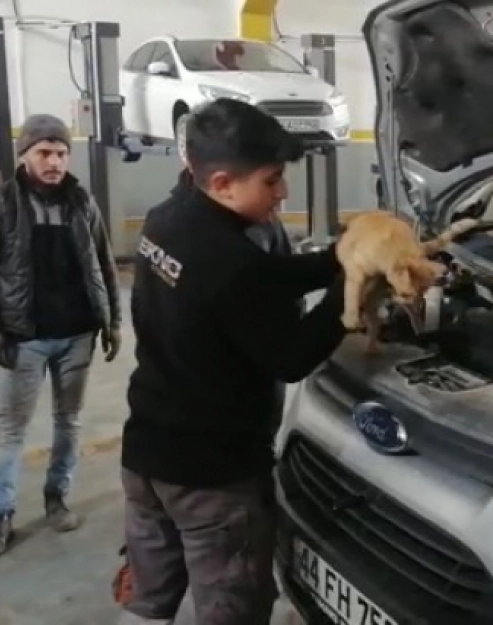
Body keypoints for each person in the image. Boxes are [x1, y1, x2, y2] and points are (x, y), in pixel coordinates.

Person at [119, 98, 347, 624]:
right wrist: (349, 293)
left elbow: (263, 281)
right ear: (222, 183)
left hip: (148, 457)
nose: (282, 192)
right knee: (232, 607)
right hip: (212, 477)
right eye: (271, 181)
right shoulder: (230, 263)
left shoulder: (165, 221)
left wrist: (338, 258)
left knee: (148, 602)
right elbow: (291, 357)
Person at [0, 113, 123, 559]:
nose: (54, 161)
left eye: (60, 153)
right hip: (24, 338)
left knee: (68, 422)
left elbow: (104, 262)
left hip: (77, 334)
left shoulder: (82, 202)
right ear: (26, 156)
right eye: (44, 153)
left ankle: (57, 497)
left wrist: (111, 321)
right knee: (11, 429)